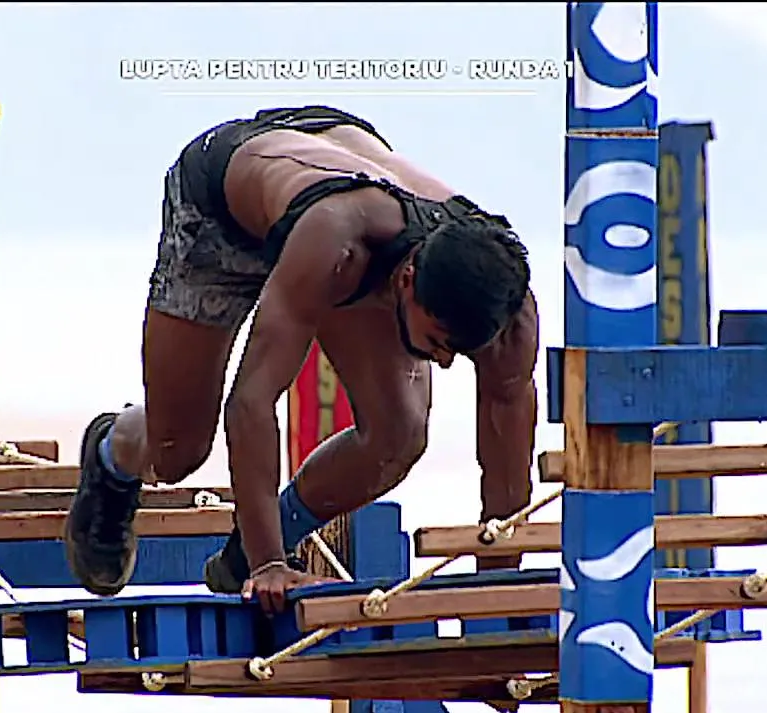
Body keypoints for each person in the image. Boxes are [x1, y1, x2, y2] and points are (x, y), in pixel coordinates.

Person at [64, 105, 538, 613]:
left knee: (397, 435)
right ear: (407, 280)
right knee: (178, 451)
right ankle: (112, 453)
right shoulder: (338, 246)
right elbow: (250, 401)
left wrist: (500, 593)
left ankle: (246, 551)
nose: (443, 362)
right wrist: (270, 565)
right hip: (225, 209)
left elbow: (506, 473)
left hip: (344, 184)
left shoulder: (509, 311)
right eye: (439, 341)